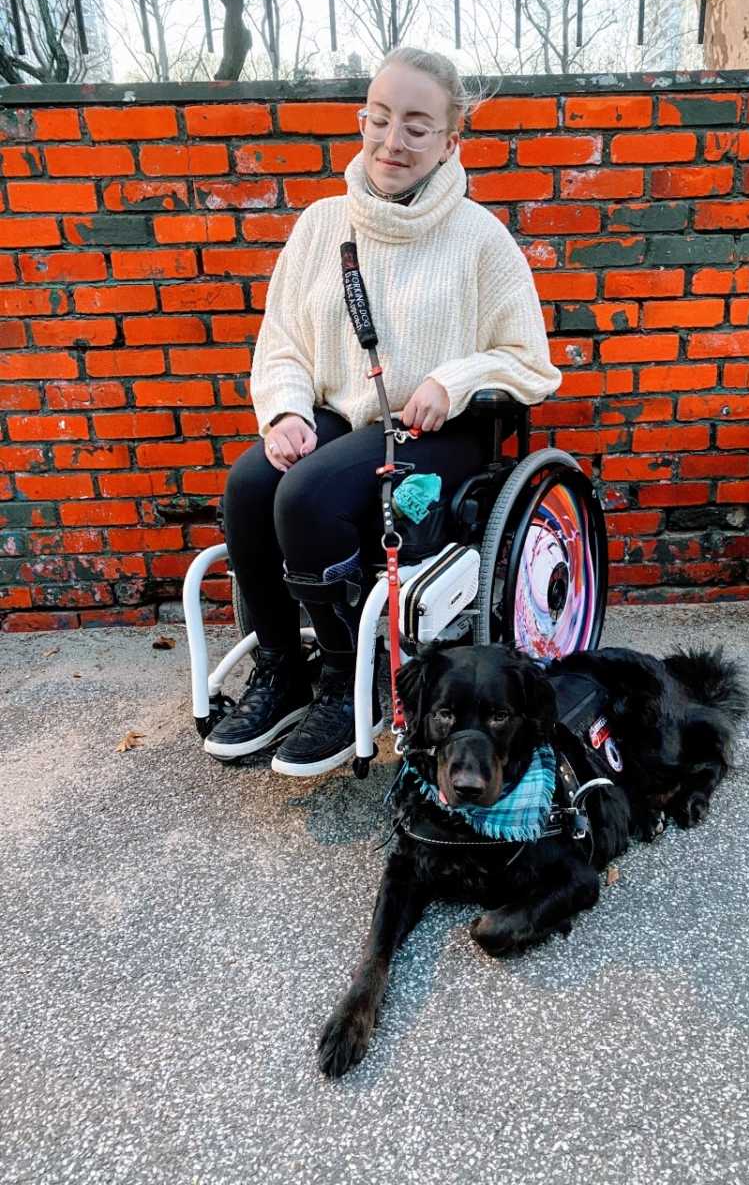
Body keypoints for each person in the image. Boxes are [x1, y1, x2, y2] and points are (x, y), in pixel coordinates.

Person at [204, 47, 561, 777]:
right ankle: (283, 671)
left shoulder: (480, 239)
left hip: (440, 430)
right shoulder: (321, 225)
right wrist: (284, 413)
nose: (392, 141)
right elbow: (283, 344)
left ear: (450, 140)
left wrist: (454, 378)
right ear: (361, 119)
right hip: (344, 414)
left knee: (307, 497)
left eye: (417, 127)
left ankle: (348, 679)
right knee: (249, 486)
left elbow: (529, 361)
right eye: (380, 118)